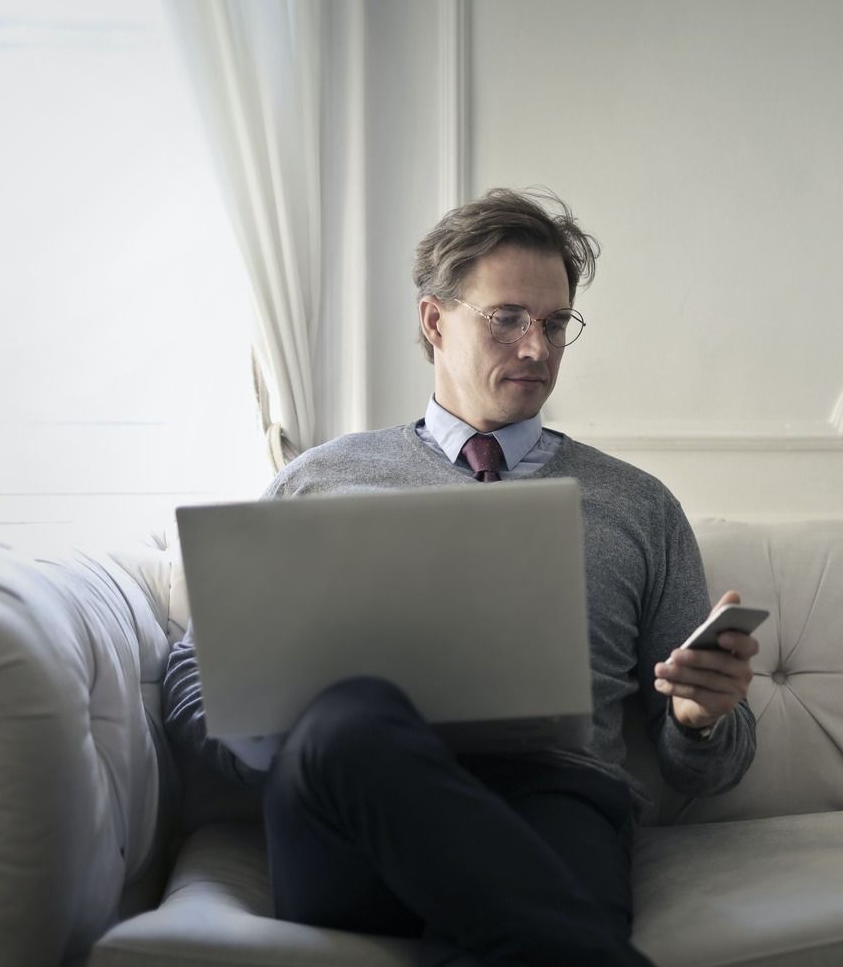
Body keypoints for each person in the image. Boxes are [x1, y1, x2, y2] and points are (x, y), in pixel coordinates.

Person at [163, 188, 759, 967]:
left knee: (516, 911)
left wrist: (698, 717)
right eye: (507, 317)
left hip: (552, 802)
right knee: (352, 714)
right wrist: (282, 726)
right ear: (434, 321)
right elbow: (188, 679)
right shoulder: (318, 480)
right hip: (349, 811)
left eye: (553, 324)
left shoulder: (637, 505)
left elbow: (713, 765)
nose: (537, 348)